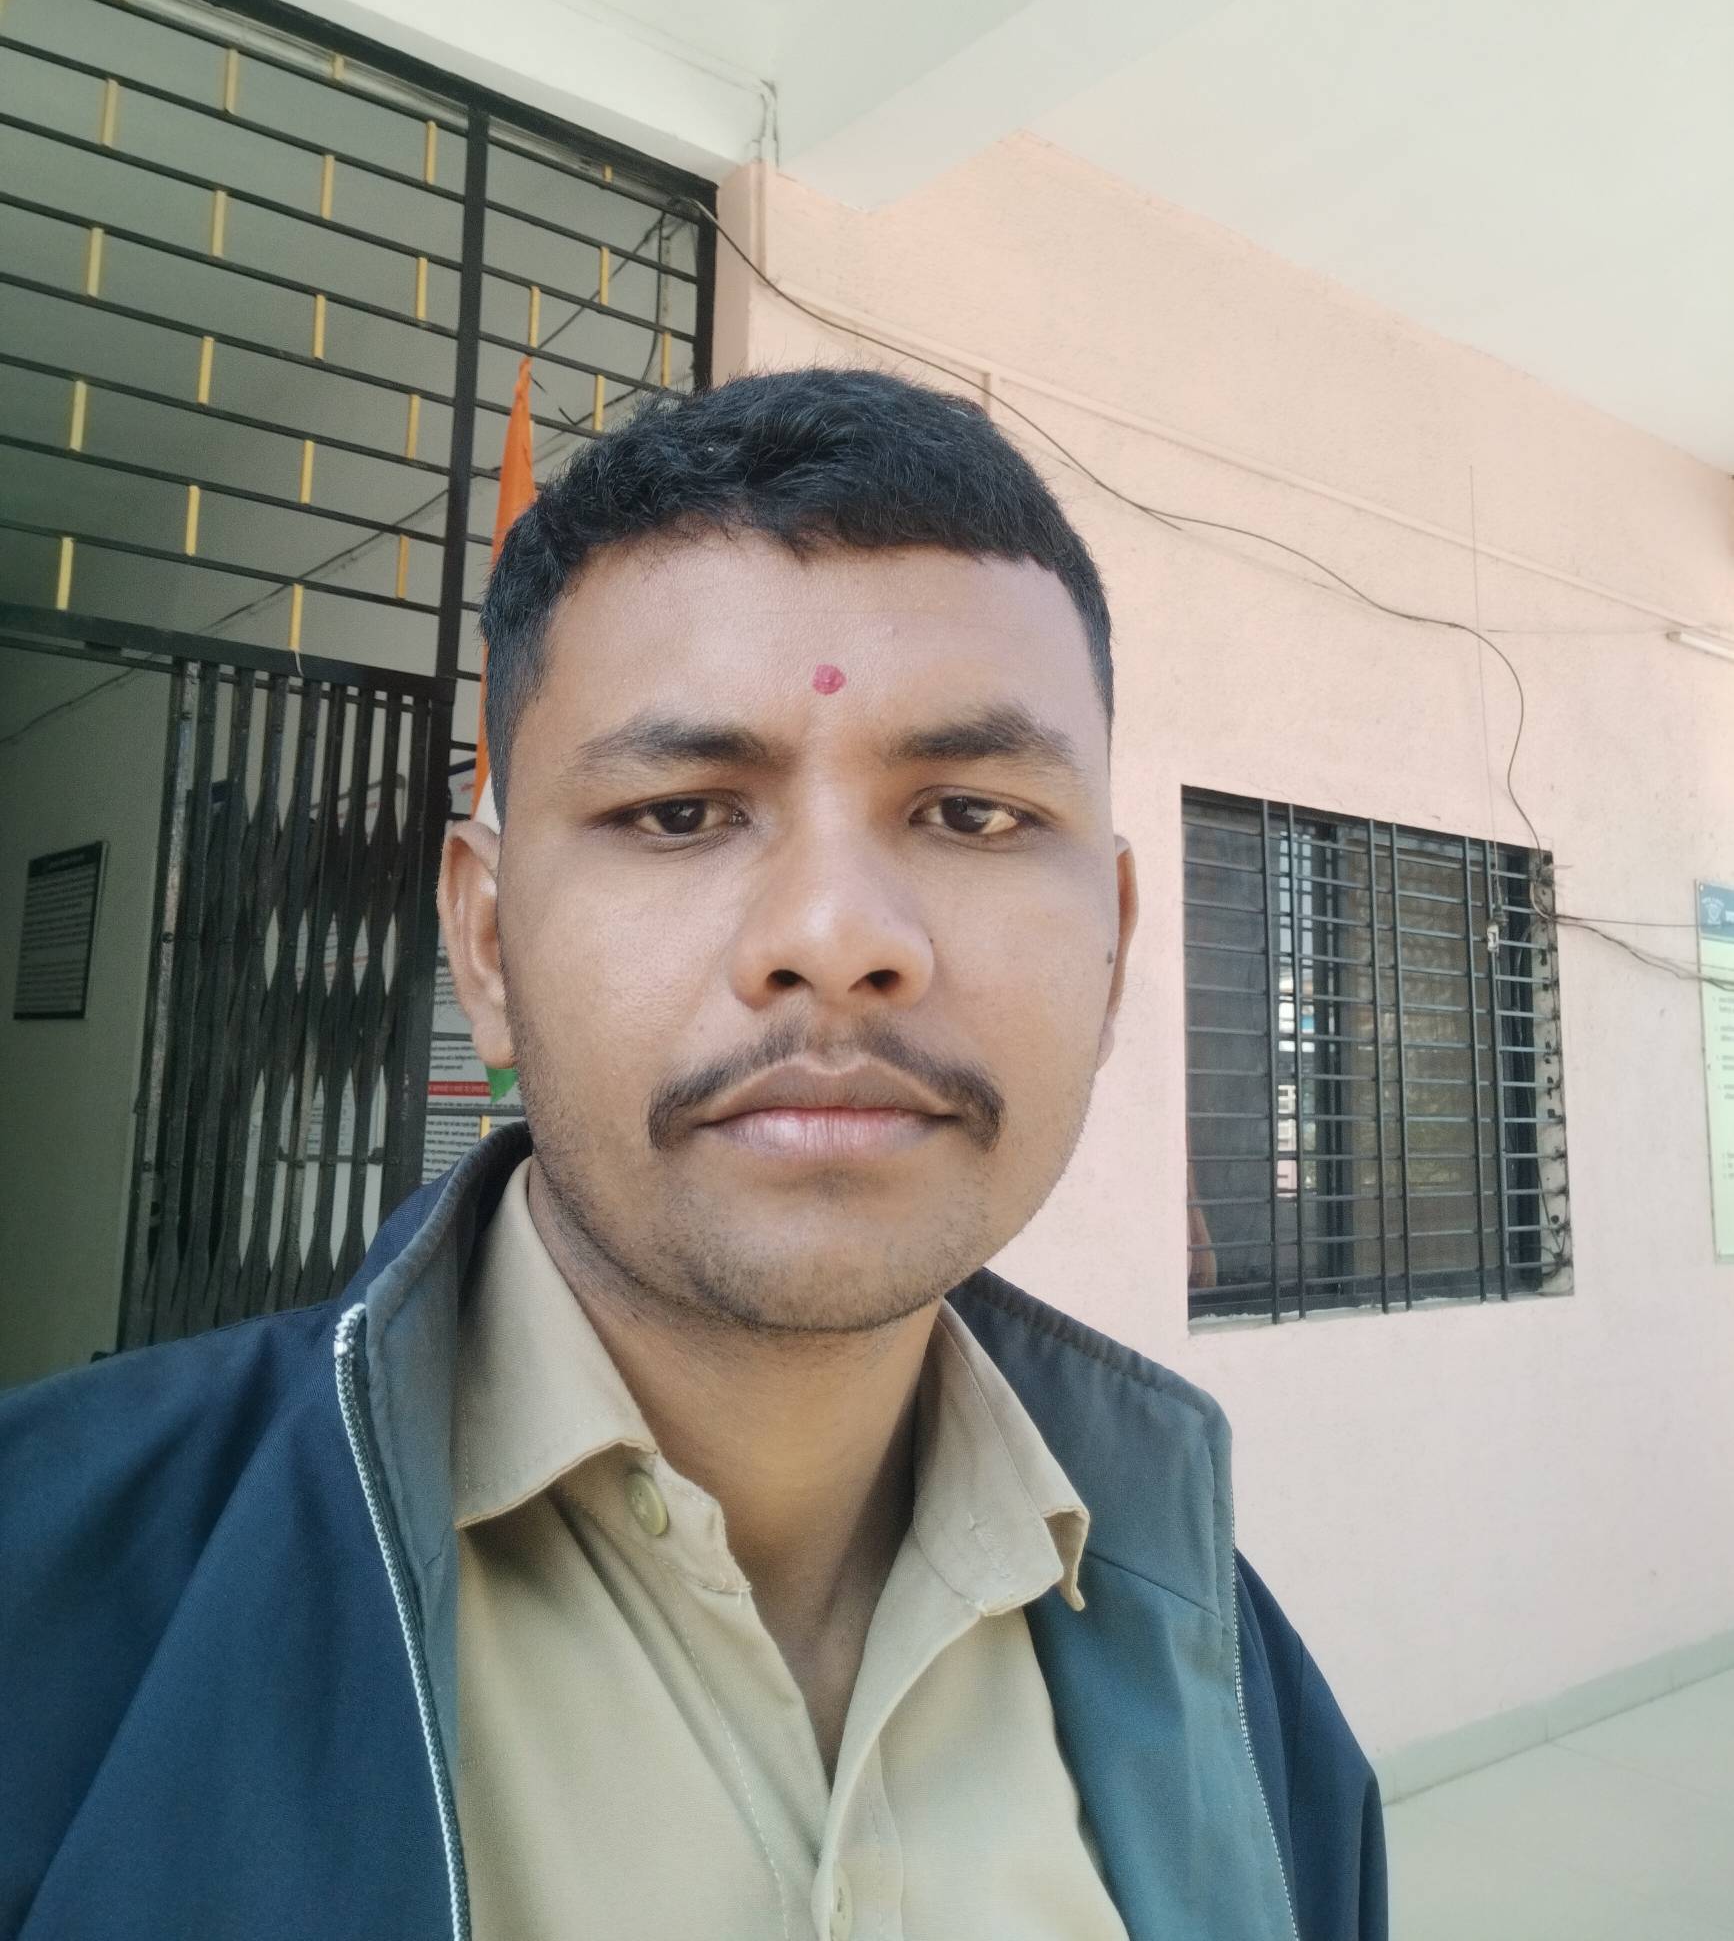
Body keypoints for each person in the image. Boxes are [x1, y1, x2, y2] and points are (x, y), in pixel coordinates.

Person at [0, 368, 1386, 1941]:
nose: (837, 938)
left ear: (1116, 943)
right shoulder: (46, 1611)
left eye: (972, 814)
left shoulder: (1248, 1711)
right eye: (677, 813)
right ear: (485, 941)